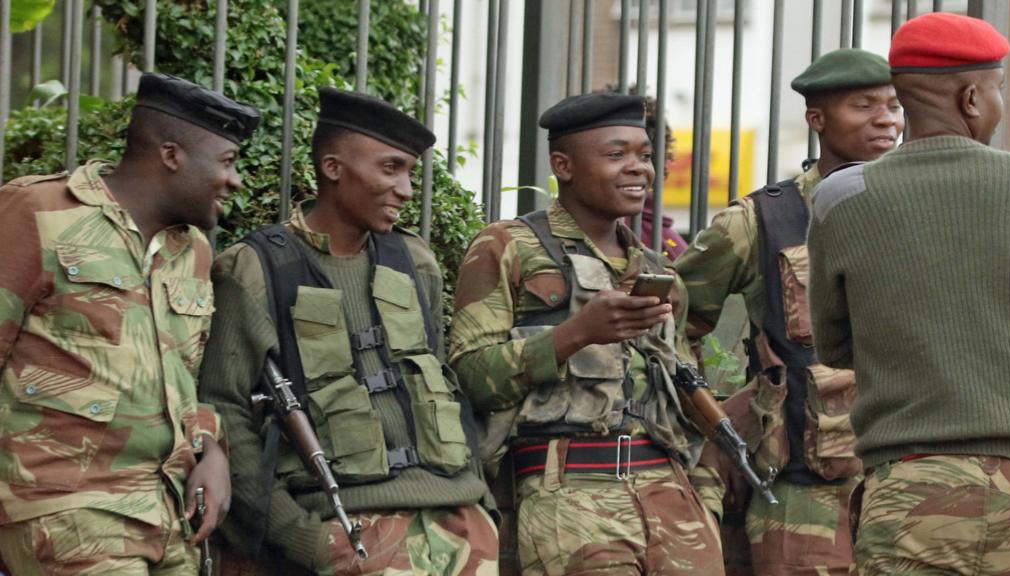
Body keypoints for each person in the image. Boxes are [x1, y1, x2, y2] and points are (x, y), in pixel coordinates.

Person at [199, 88, 498, 575]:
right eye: (390, 168)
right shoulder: (255, 267)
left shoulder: (414, 260)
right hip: (351, 532)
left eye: (409, 173)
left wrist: (481, 510)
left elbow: (438, 382)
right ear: (334, 167)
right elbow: (225, 413)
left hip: (463, 525)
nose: (405, 189)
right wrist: (302, 536)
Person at [450, 91, 724, 575]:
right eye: (616, 155)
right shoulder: (508, 246)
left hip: (671, 495)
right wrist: (575, 334)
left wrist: (704, 500)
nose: (639, 168)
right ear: (563, 164)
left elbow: (686, 393)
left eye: (644, 155)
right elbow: (469, 376)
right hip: (570, 493)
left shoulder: (659, 271)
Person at [0, 72, 259, 574]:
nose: (235, 180)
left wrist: (213, 450)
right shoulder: (40, 212)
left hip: (170, 515)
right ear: (171, 155)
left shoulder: (193, 250)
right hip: (65, 507)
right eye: (227, 162)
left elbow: (184, 378)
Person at [808, 13, 1010, 576]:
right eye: (1000, 89)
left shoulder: (843, 196)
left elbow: (833, 347)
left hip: (909, 491)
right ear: (973, 98)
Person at [674, 49, 903, 575]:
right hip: (806, 493)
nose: (886, 118)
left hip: (914, 480)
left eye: (893, 105)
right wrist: (722, 411)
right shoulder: (760, 220)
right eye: (864, 105)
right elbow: (671, 323)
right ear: (817, 119)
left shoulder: (927, 210)